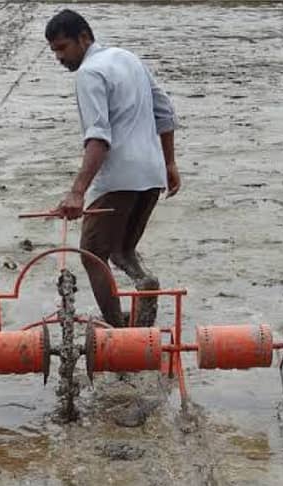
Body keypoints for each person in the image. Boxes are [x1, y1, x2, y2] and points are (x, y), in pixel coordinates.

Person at [45, 9, 180, 328]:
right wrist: (169, 162)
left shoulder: (89, 73)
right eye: (54, 51)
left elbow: (98, 137)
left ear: (83, 38)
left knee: (92, 254)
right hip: (151, 175)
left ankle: (118, 332)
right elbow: (165, 111)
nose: (59, 57)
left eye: (63, 48)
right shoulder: (127, 58)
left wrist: (77, 192)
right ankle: (143, 285)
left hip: (119, 178)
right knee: (122, 250)